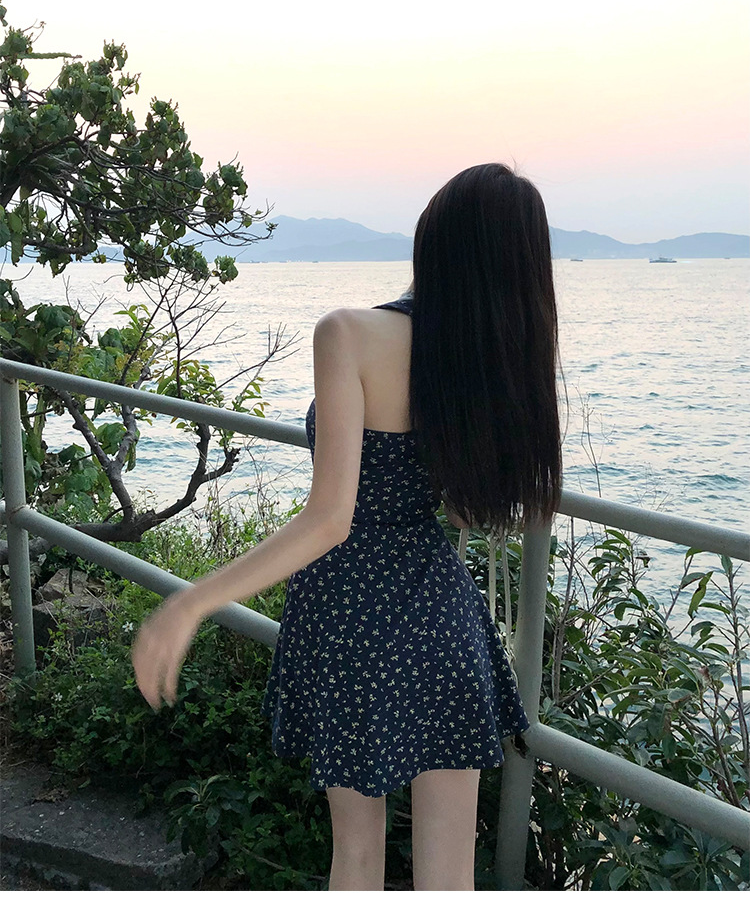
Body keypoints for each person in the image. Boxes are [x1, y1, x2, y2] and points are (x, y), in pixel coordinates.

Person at [132, 161, 564, 891]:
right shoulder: (488, 365)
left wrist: (192, 601)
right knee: (449, 879)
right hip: (440, 620)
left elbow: (330, 519)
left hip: (350, 619)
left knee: (357, 855)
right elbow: (462, 512)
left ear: (434, 241)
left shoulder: (349, 334)